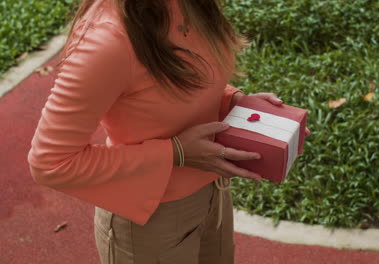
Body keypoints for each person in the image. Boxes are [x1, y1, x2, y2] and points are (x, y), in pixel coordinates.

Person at [27, 0, 310, 263]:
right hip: (150, 223)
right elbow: (50, 163)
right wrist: (175, 152)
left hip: (215, 194)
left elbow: (171, 86)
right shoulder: (106, 42)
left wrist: (231, 102)